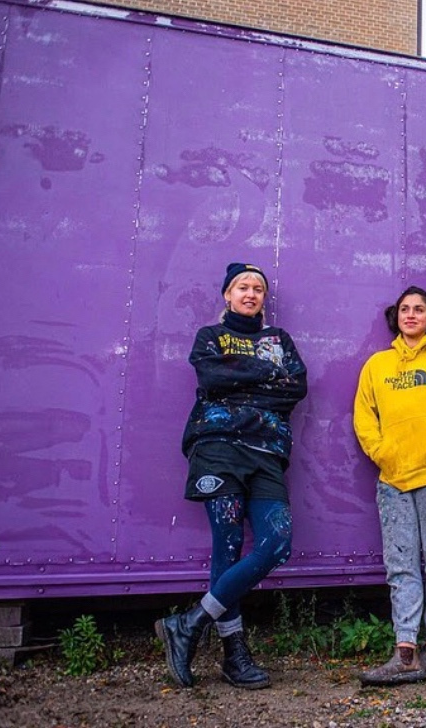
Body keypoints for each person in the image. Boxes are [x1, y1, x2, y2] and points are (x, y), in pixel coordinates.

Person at [155, 263, 308, 690]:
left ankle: (190, 622)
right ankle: (234, 656)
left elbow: (296, 387)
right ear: (227, 294)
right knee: (227, 546)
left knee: (277, 544)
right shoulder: (210, 337)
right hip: (218, 448)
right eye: (243, 286)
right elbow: (212, 376)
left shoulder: (280, 340)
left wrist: (239, 376)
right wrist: (265, 375)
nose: (251, 293)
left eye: (258, 288)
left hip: (267, 452)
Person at [352, 285, 426, 686]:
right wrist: (382, 452)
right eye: (405, 309)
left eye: (419, 309)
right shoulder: (377, 365)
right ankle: (405, 653)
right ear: (396, 317)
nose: (411, 315)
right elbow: (364, 416)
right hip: (394, 479)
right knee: (401, 565)